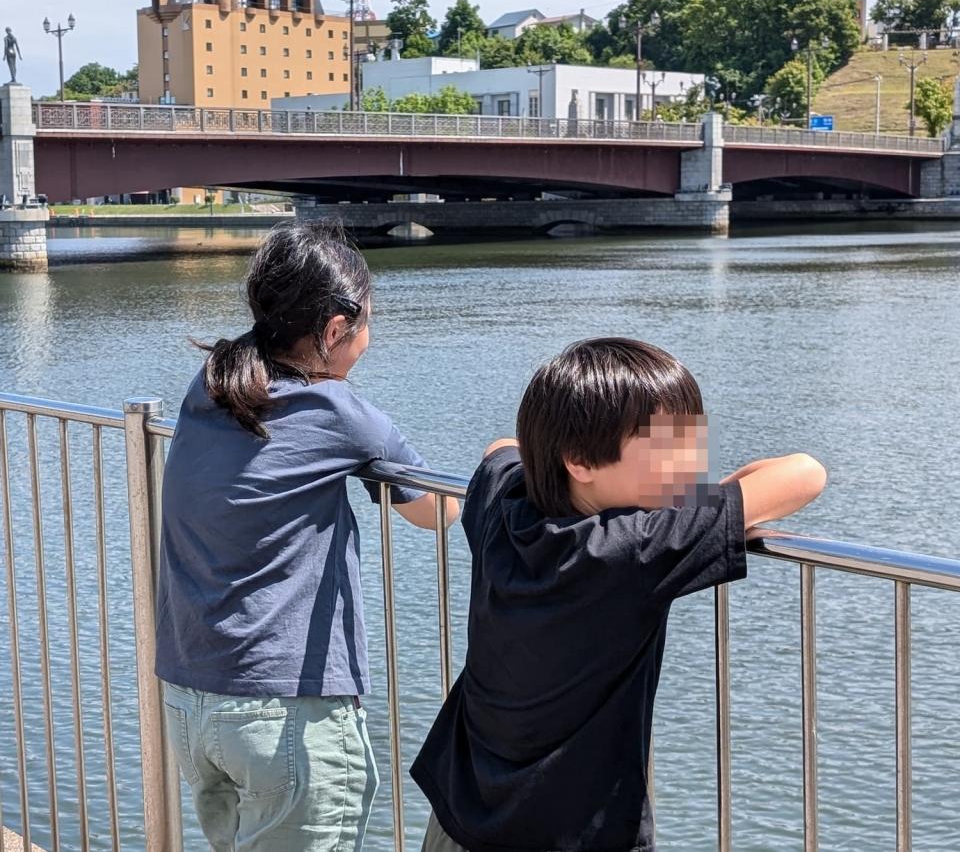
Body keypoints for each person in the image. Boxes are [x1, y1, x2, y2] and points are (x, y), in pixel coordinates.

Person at [412, 337, 827, 852]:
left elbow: (499, 449)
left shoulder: (504, 504)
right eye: (670, 448)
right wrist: (698, 510)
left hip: (462, 817)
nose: (692, 464)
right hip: (573, 832)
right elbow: (805, 474)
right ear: (579, 459)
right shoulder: (632, 548)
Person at [156, 221, 460, 852]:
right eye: (368, 323)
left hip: (191, 700)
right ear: (335, 329)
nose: (370, 340)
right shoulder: (339, 414)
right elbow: (438, 511)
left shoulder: (209, 386)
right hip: (283, 712)